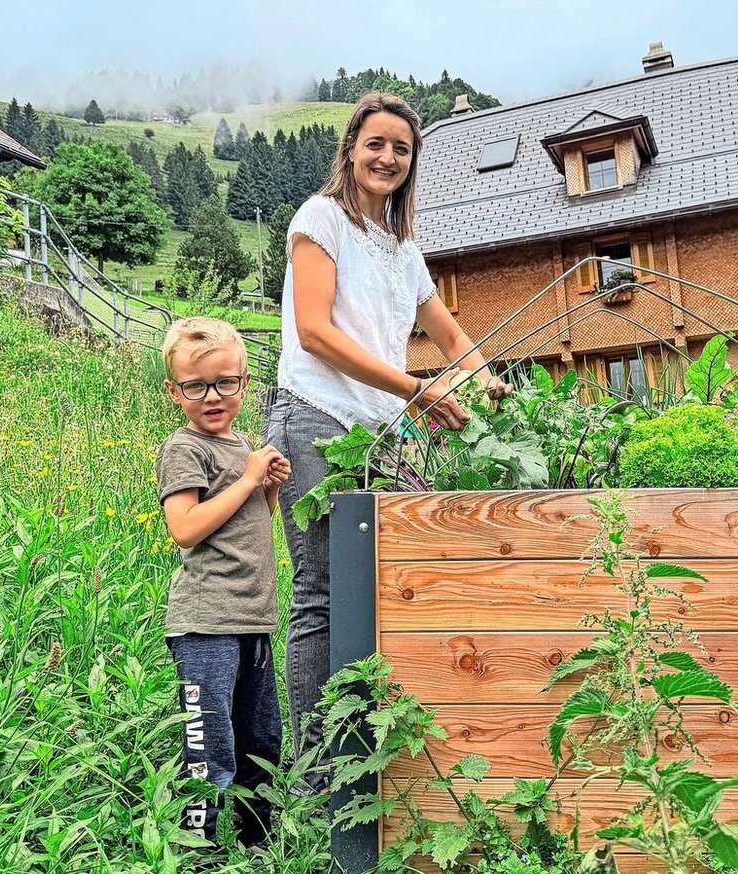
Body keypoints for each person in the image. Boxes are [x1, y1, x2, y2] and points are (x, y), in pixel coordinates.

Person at [265, 92, 511, 777]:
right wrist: (417, 390)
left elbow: (451, 335)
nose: (387, 157)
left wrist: (486, 379)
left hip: (378, 435)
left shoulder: (404, 249)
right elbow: (314, 333)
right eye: (375, 143)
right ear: (350, 150)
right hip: (315, 416)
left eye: (401, 148)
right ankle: (317, 777)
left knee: (379, 586)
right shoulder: (320, 219)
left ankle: (370, 758)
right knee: (321, 593)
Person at [155, 317, 291, 849]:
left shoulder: (243, 448)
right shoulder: (184, 449)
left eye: (225, 382)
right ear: (175, 392)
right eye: (196, 386)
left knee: (262, 740)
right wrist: (249, 478)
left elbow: (249, 525)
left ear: (244, 382)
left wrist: (267, 488)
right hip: (206, 622)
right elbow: (185, 529)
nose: (212, 396)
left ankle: (259, 843)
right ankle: (198, 847)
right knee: (208, 747)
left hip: (252, 619)